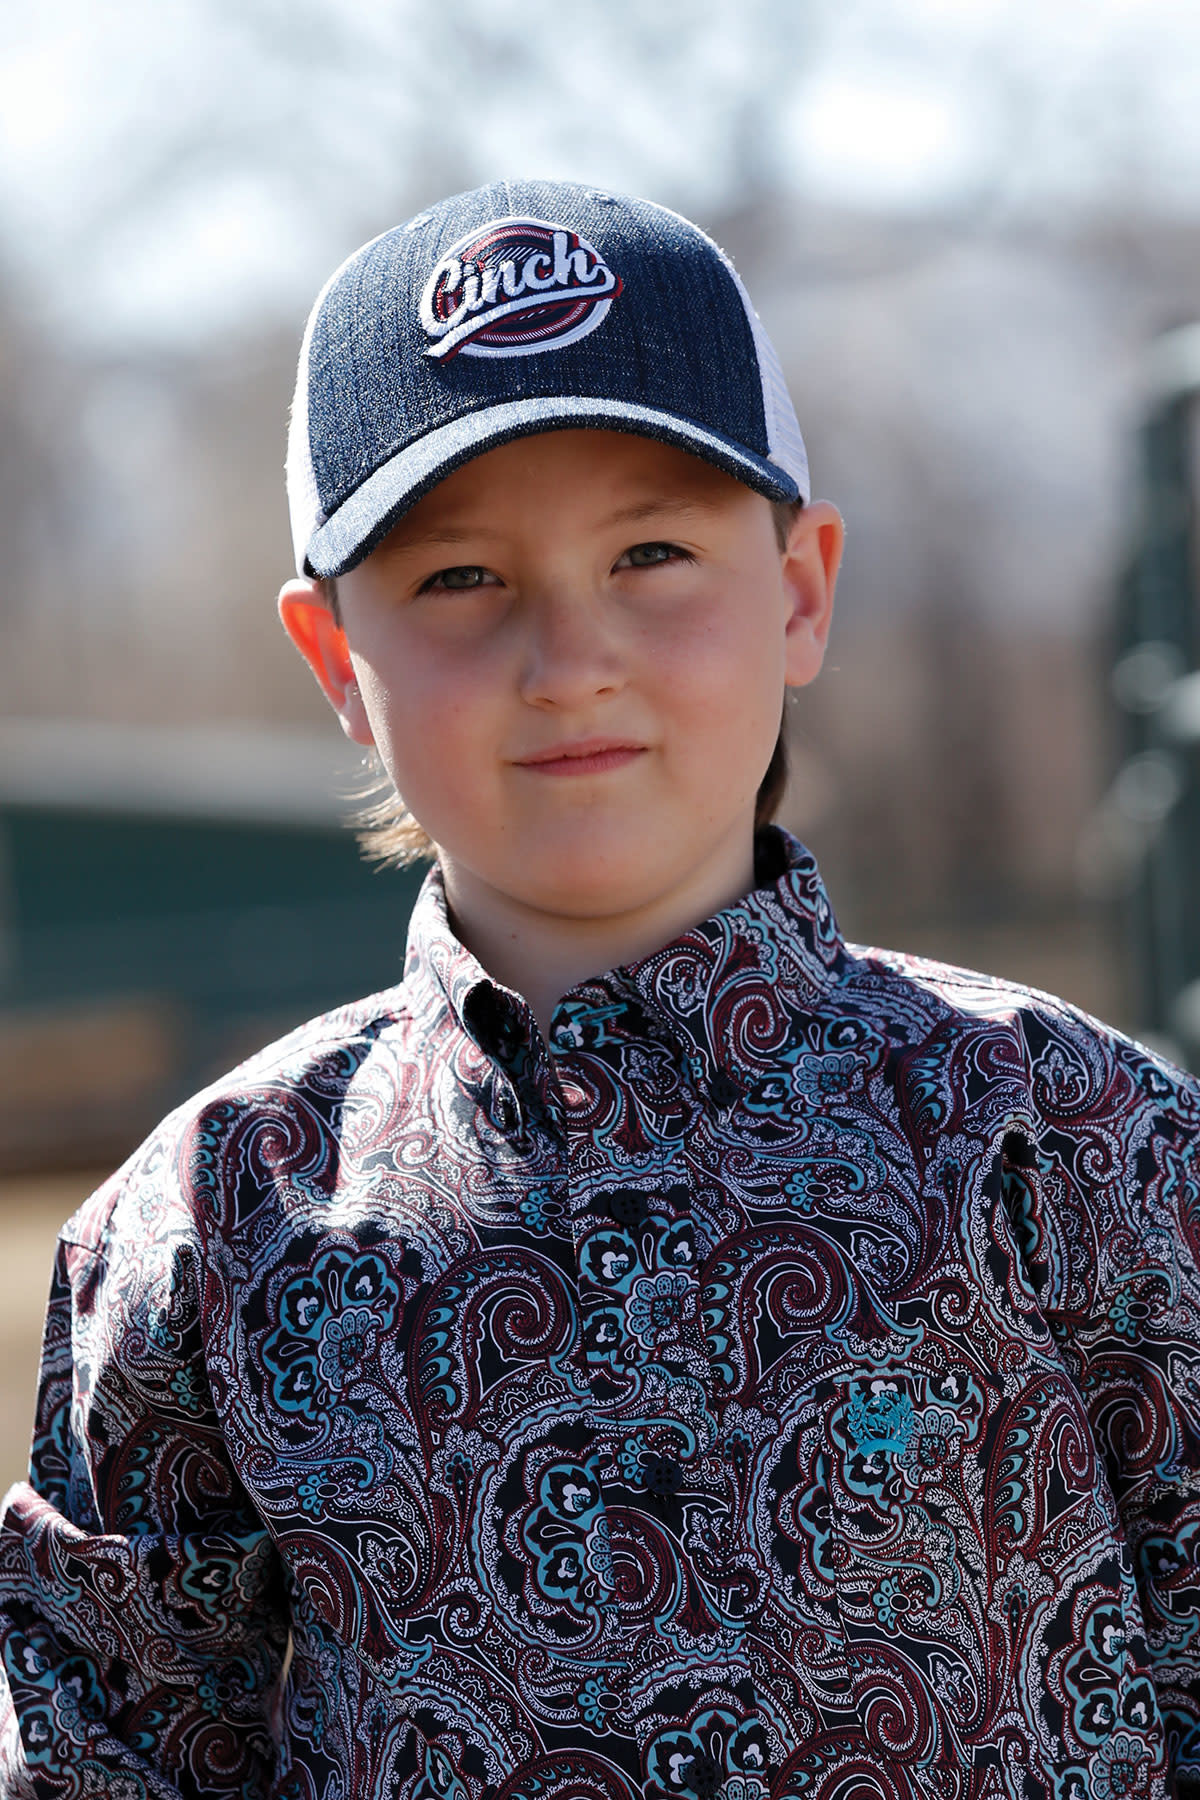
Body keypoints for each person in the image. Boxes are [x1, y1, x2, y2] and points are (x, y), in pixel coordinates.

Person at [1, 178, 1199, 1800]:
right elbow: (107, 1754)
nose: (570, 657)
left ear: (800, 590)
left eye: (651, 551)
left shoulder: (1081, 1141)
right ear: (331, 660)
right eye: (458, 581)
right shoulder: (208, 1227)